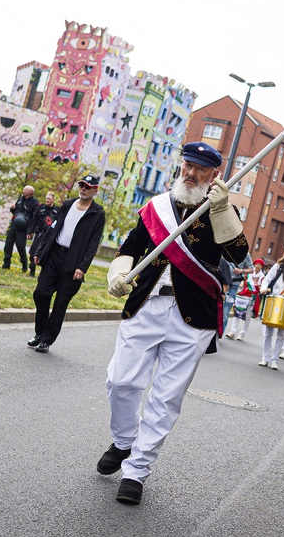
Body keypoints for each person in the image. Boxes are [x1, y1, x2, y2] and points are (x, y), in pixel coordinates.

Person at [100, 141, 247, 505]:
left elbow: (239, 254)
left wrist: (223, 209)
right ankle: (124, 441)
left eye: (200, 169)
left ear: (214, 174)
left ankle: (136, 472)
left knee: (166, 398)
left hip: (192, 317)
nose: (192, 173)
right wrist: (117, 274)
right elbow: (128, 249)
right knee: (120, 380)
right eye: (188, 166)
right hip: (146, 306)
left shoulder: (219, 209)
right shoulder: (156, 207)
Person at [28, 176, 105, 353]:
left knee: (60, 303)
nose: (83, 189)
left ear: (95, 190)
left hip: (74, 262)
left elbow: (93, 243)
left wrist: (82, 267)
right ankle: (40, 333)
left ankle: (47, 340)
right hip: (54, 255)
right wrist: (40, 251)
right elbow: (53, 229)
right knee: (40, 294)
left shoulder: (97, 213)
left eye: (87, 187)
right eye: (81, 186)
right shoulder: (68, 204)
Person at [259, 250, 284, 369]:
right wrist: (264, 288)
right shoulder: (277, 267)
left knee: (281, 334)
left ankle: (274, 360)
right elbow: (266, 279)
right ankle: (265, 358)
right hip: (274, 301)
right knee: (268, 333)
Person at [225, 258, 265, 341]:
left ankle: (242, 333)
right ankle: (232, 331)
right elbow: (243, 281)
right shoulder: (248, 274)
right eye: (256, 264)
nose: (258, 266)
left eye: (260, 265)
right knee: (237, 313)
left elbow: (262, 287)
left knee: (247, 316)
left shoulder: (262, 277)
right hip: (243, 296)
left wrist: (260, 288)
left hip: (252, 297)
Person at [2, 185, 39, 271]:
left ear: (30, 192)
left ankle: (24, 264)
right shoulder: (20, 200)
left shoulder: (34, 203)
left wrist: (30, 231)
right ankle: (6, 263)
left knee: (20, 247)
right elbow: (16, 211)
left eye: (25, 189)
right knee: (8, 244)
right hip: (14, 225)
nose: (23, 190)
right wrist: (12, 209)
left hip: (23, 228)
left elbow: (35, 217)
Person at [26, 191, 58, 276]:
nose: (47, 200)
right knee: (33, 251)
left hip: (50, 236)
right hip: (40, 233)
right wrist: (30, 232)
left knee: (46, 253)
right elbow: (34, 220)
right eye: (46, 198)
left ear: (53, 200)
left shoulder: (57, 211)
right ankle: (32, 270)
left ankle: (44, 273)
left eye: (49, 199)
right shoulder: (41, 208)